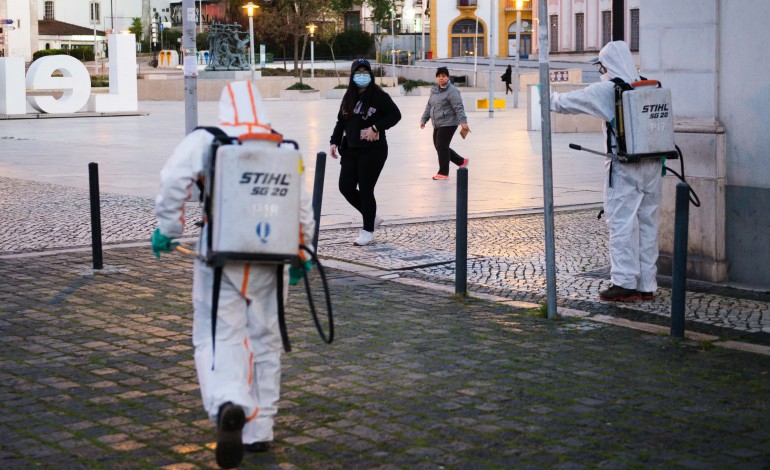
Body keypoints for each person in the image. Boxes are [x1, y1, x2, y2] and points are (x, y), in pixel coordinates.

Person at [151, 81, 315, 468]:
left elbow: (173, 181)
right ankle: (260, 431)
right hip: (273, 259)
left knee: (218, 335)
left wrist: (168, 229)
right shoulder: (283, 147)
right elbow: (301, 205)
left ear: (225, 109)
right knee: (265, 340)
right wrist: (304, 252)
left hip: (220, 257)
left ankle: (230, 403)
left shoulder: (207, 140)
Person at [549, 41, 662, 302]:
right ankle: (647, 284)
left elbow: (567, 102)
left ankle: (623, 283)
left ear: (607, 64)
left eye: (601, 64)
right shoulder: (647, 85)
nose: (600, 69)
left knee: (621, 224)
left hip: (624, 168)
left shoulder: (607, 90)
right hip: (654, 166)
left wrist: (546, 96)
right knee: (648, 224)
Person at [329, 58, 402, 247]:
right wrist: (334, 141)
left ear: (370, 75)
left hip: (373, 151)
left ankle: (367, 231)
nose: (362, 76)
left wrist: (376, 127)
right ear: (352, 75)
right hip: (351, 149)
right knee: (345, 187)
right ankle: (371, 216)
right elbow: (341, 122)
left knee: (366, 189)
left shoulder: (379, 96)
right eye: (358, 72)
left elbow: (395, 115)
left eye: (365, 72)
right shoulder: (349, 97)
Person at [420, 66, 470, 180]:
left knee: (442, 146)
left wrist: (463, 121)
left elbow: (458, 107)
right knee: (440, 146)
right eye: (439, 76)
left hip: (449, 122)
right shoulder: (434, 90)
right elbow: (429, 106)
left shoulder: (452, 91)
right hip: (437, 122)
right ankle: (461, 161)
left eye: (443, 76)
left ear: (448, 77)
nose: (441, 78)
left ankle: (443, 173)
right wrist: (424, 119)